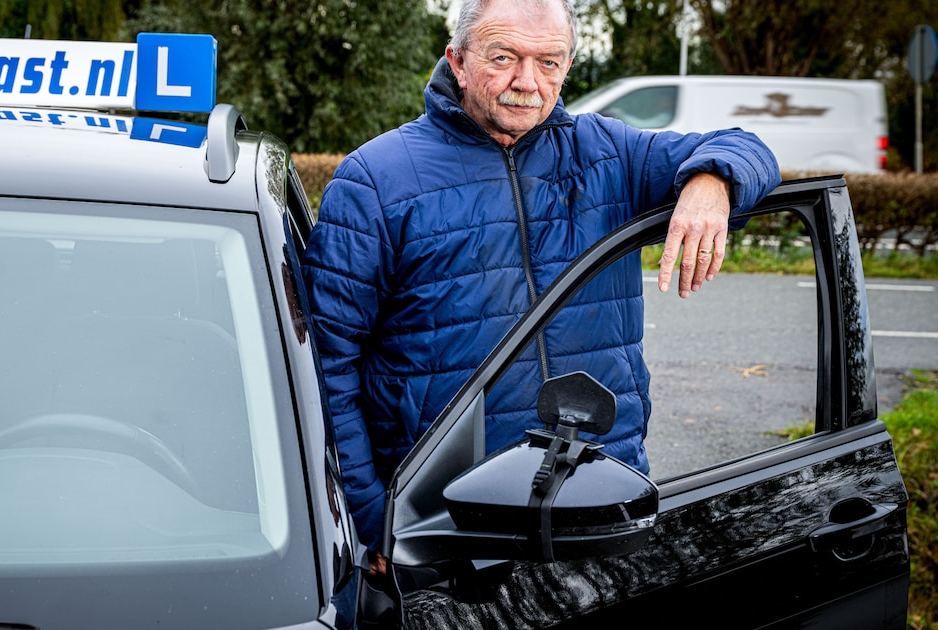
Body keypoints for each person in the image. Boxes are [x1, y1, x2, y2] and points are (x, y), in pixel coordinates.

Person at [301, 0, 781, 575]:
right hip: (446, 525)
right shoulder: (375, 180)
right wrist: (372, 517)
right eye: (504, 58)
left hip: (599, 503)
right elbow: (327, 365)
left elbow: (748, 147)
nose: (527, 82)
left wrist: (713, 180)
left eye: (549, 62)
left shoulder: (611, 155)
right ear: (457, 60)